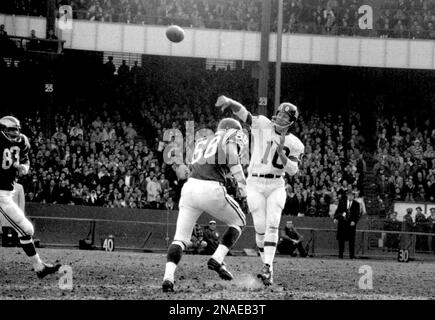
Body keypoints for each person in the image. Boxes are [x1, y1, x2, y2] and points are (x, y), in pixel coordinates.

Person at [216, 95, 304, 286]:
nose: (279, 117)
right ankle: (268, 270)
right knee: (260, 227)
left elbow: (294, 170)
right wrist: (231, 102)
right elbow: (244, 114)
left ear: (291, 122)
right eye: (279, 113)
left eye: (284, 116)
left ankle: (267, 267)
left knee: (273, 223)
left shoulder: (295, 143)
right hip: (254, 182)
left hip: (276, 184)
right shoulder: (263, 124)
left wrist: (283, 156)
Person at [162, 118, 249, 292]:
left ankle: (168, 278)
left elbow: (198, 165)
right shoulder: (228, 138)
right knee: (239, 222)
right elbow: (232, 157)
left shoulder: (202, 141)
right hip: (211, 188)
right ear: (230, 130)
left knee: (180, 239)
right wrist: (243, 186)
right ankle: (217, 258)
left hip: (190, 188)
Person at [0, 116, 60, 278]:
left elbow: (26, 161)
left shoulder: (22, 141)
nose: (15, 132)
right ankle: (39, 267)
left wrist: (24, 168)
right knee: (26, 229)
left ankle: (39, 267)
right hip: (0, 194)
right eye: (11, 129)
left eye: (16, 129)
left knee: (25, 230)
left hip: (8, 191)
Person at [333, 190, 360, 259]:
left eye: (352, 195)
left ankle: (352, 255)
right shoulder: (342, 202)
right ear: (347, 196)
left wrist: (354, 221)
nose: (350, 196)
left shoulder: (356, 204)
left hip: (351, 224)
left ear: (353, 196)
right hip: (342, 223)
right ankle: (340, 255)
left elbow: (357, 215)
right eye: (349, 195)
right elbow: (338, 211)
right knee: (341, 240)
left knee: (351, 240)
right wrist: (336, 218)